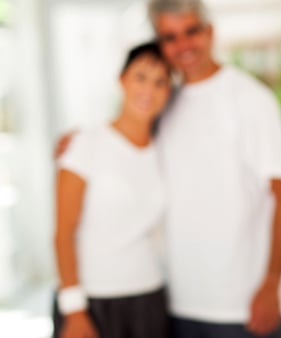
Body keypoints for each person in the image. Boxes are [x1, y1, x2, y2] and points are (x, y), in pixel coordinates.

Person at [146, 1, 281, 337]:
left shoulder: (251, 99)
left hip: (243, 307)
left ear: (210, 32)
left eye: (191, 31)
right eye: (170, 37)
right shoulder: (162, 106)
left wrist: (271, 284)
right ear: (160, 45)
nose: (183, 45)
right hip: (180, 304)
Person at [53, 42, 171, 338]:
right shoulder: (85, 144)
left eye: (160, 82)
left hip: (150, 298)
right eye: (140, 77)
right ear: (122, 80)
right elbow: (63, 233)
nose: (148, 90)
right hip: (93, 302)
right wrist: (74, 309)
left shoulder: (165, 151)